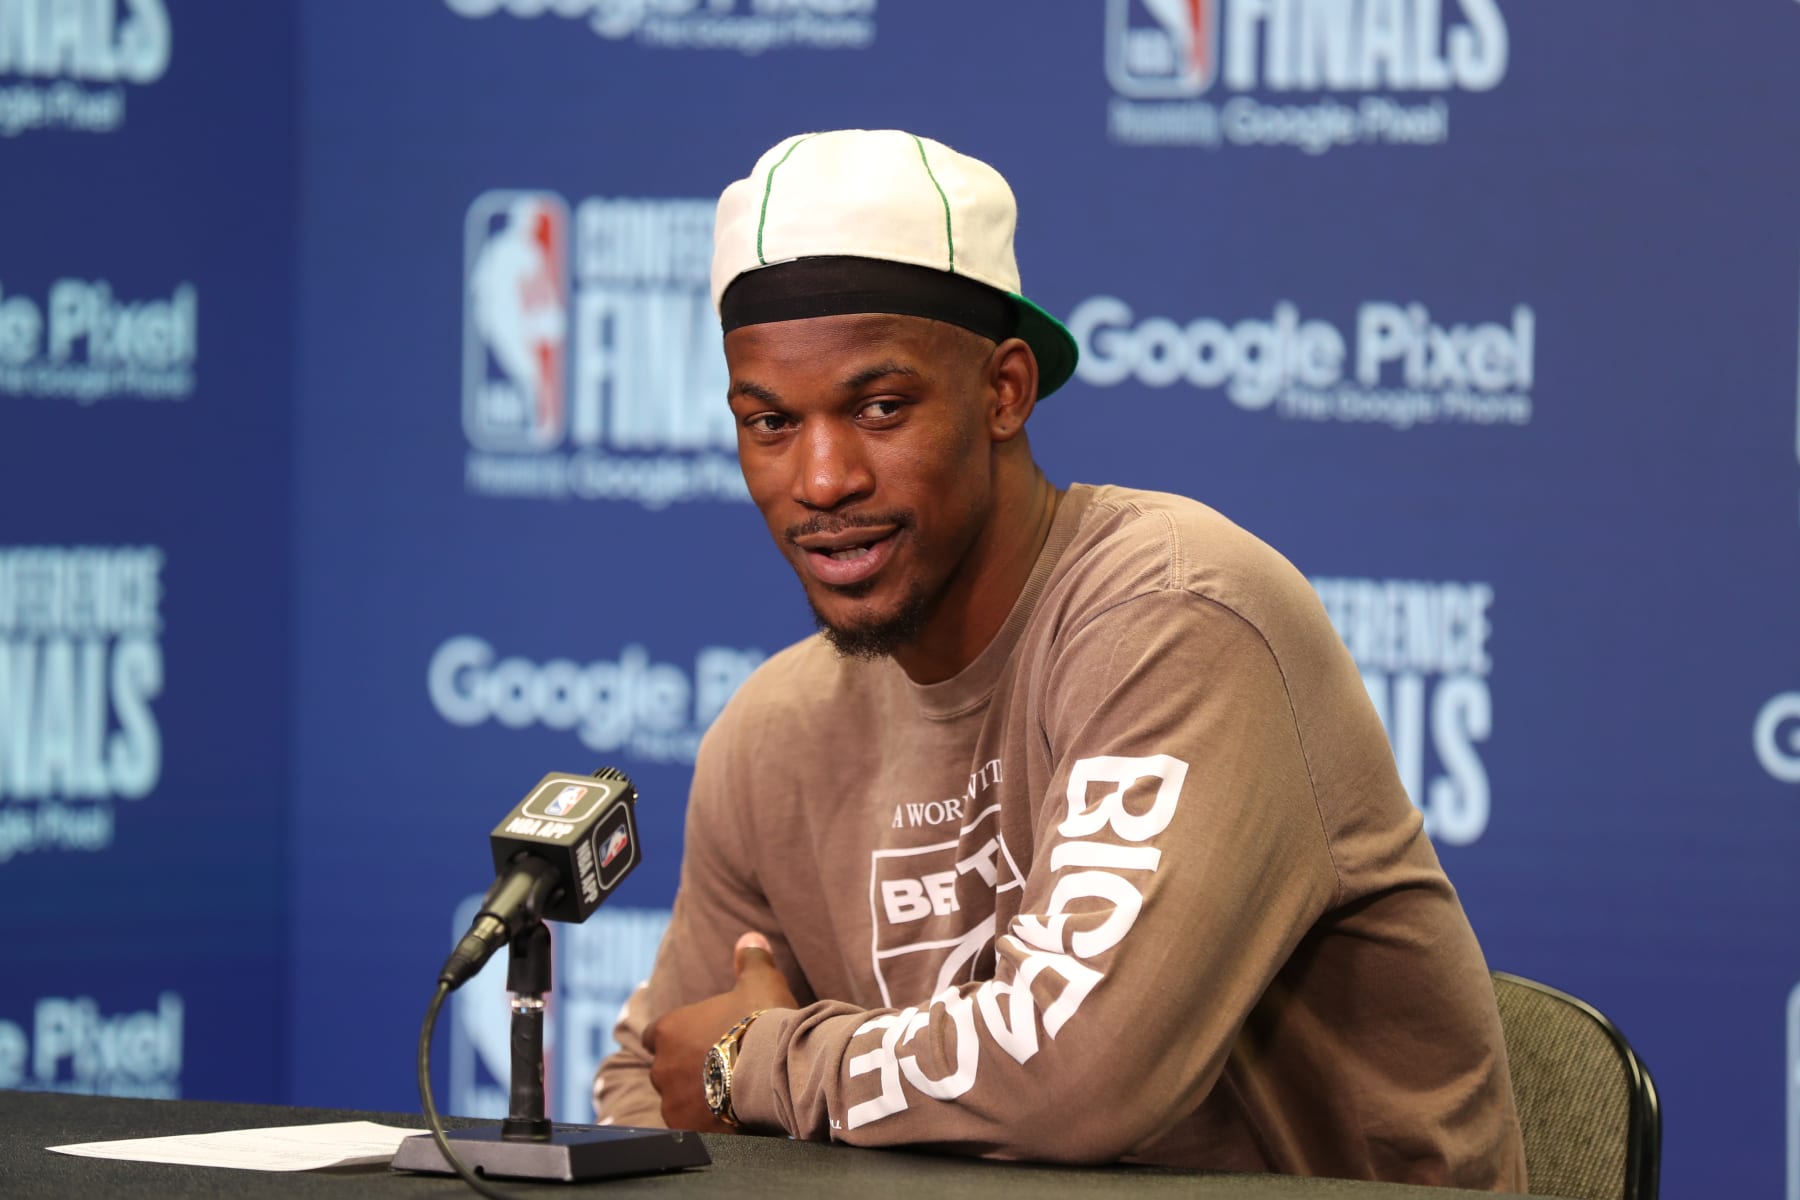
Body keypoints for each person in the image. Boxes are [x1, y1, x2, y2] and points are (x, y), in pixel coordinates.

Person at [593, 129, 1526, 1188]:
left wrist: (762, 1062)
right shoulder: (772, 734)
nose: (821, 477)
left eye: (880, 407)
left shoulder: (1176, 619)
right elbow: (652, 1088)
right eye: (769, 422)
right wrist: (727, 1069)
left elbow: (1079, 1073)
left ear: (1005, 392)